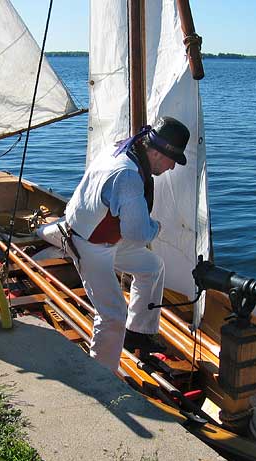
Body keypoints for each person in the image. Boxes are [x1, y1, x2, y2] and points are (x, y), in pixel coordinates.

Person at [64, 116, 190, 371]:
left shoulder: (121, 147)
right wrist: (157, 228)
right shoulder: (129, 176)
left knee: (153, 267)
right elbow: (137, 234)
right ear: (157, 153)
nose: (173, 168)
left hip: (101, 236)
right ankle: (101, 377)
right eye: (173, 161)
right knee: (113, 315)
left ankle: (137, 331)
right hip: (88, 245)